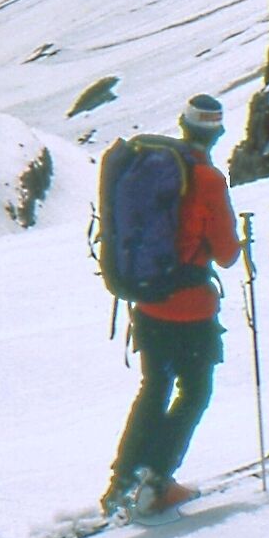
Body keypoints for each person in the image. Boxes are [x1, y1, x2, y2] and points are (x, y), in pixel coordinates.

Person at [104, 94, 240, 515]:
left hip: (147, 302)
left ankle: (121, 482)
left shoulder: (153, 163)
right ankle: (157, 481)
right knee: (195, 390)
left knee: (154, 388)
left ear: (184, 126)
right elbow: (226, 253)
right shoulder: (208, 180)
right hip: (191, 308)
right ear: (215, 131)